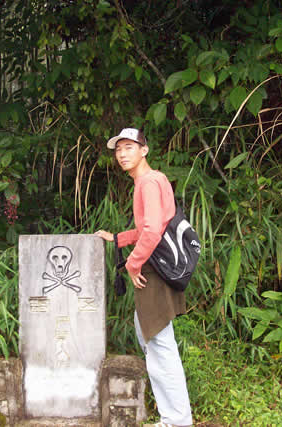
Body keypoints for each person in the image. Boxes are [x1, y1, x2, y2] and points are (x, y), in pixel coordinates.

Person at [95, 128, 192, 427]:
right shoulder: (151, 180)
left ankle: (176, 420)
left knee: (160, 344)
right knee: (152, 340)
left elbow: (151, 232)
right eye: (118, 149)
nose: (122, 154)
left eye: (129, 147)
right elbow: (147, 227)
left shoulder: (148, 182)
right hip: (157, 268)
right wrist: (117, 238)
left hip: (153, 271)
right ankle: (175, 418)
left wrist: (133, 265)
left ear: (144, 150)